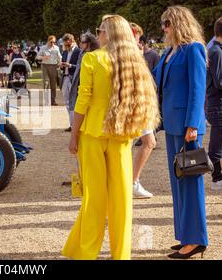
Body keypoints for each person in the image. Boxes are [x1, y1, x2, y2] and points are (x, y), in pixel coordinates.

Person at [62, 15, 160, 260]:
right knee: (122, 199)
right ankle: (120, 254)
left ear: (109, 33)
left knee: (94, 198)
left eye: (100, 30)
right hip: (121, 135)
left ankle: (86, 252)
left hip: (93, 134)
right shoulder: (134, 61)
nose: (98, 34)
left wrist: (74, 135)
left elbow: (82, 100)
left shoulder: (92, 58)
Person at [152, 6, 208, 259]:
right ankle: (186, 235)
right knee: (178, 182)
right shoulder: (169, 52)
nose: (163, 28)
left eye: (167, 23)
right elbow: (155, 80)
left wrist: (193, 125)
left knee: (190, 181)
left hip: (187, 127)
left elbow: (198, 89)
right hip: (172, 124)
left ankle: (196, 240)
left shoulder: (193, 49)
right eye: (163, 24)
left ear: (178, 23)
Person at [130, 23, 156, 199]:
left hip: (139, 103)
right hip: (135, 104)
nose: (140, 42)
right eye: (138, 37)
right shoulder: (131, 54)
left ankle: (131, 181)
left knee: (148, 142)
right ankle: (131, 182)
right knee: (146, 142)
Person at [206, 16, 222, 191]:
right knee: (215, 148)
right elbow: (219, 81)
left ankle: (217, 178)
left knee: (217, 145)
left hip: (217, 104)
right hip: (218, 105)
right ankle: (216, 178)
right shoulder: (217, 52)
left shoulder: (217, 50)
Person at [60, 34, 81, 132]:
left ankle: (75, 125)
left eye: (67, 43)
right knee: (67, 101)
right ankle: (71, 123)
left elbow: (79, 66)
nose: (66, 45)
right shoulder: (64, 52)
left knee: (73, 102)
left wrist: (69, 65)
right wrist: (62, 65)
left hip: (73, 79)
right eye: (65, 43)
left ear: (71, 41)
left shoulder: (78, 52)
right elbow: (62, 64)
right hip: (65, 78)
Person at [37, 36, 62, 105]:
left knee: (53, 85)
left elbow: (60, 57)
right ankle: (47, 101)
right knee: (46, 83)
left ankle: (53, 100)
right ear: (48, 41)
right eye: (51, 42)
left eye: (54, 42)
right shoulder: (43, 48)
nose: (52, 43)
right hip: (45, 66)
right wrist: (43, 57)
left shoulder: (56, 48)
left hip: (54, 66)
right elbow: (37, 57)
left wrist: (59, 63)